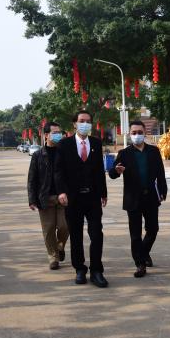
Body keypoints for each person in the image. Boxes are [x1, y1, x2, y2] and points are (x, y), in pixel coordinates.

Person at [108, 121, 168, 278]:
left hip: (151, 197)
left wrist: (163, 191)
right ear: (129, 134)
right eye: (134, 133)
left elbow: (160, 173)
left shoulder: (154, 151)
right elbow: (112, 173)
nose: (137, 135)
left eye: (139, 132)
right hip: (133, 198)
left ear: (145, 133)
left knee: (153, 229)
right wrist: (116, 170)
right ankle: (140, 264)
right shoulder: (124, 153)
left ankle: (143, 252)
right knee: (135, 234)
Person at [56, 110, 109, 287]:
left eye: (88, 121)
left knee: (96, 234)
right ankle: (79, 269)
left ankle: (96, 270)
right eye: (81, 121)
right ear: (75, 124)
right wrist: (61, 192)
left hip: (93, 197)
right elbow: (58, 171)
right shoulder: (64, 145)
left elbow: (99, 170)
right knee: (76, 235)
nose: (85, 124)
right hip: (73, 198)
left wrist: (103, 193)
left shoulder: (96, 143)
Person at [28, 122, 69, 270]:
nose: (58, 135)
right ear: (46, 135)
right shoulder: (38, 155)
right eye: (55, 132)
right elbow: (32, 178)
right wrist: (32, 199)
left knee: (65, 226)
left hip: (63, 197)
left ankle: (60, 246)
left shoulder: (64, 153)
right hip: (45, 198)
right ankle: (53, 257)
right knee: (49, 229)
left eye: (59, 132)